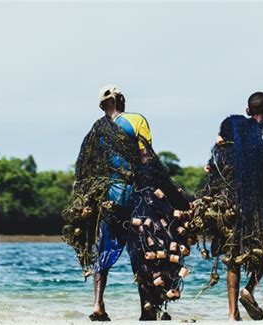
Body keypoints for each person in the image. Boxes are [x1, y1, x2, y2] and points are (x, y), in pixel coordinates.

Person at [63, 85, 190, 321]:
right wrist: (172, 192)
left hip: (109, 198)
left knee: (105, 250)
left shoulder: (96, 130)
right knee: (144, 249)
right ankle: (147, 308)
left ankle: (98, 305)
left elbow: (88, 167)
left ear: (102, 106)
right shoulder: (136, 120)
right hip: (136, 194)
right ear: (121, 99)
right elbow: (146, 158)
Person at [197, 92, 263, 321]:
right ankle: (248, 289)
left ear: (248, 111)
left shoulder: (235, 129)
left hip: (232, 201)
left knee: (233, 254)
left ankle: (233, 315)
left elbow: (220, 161)